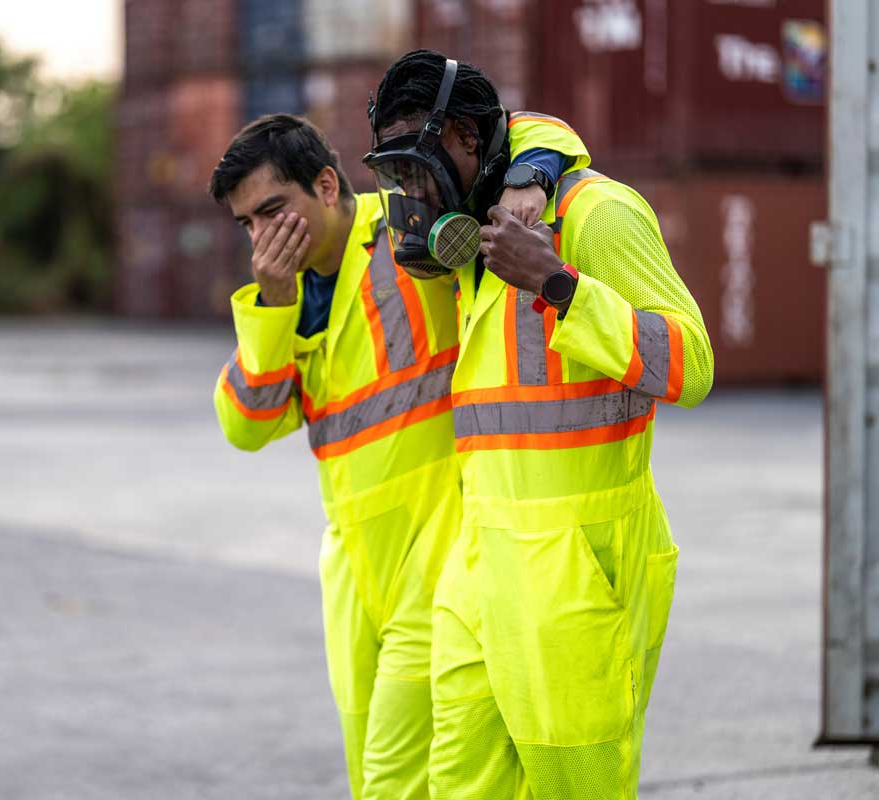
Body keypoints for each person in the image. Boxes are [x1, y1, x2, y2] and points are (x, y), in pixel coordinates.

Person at [364, 50, 715, 800]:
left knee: (576, 786)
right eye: (396, 175)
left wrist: (559, 285)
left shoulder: (596, 215)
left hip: (577, 571)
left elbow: (692, 364)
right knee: (462, 784)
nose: (412, 194)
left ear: (463, 137)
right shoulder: (473, 232)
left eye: (416, 169)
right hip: (482, 568)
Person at [210, 111, 589, 799]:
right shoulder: (282, 296)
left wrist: (531, 175)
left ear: (327, 185)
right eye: (248, 225)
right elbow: (246, 423)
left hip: (437, 550)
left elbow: (536, 131)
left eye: (272, 210)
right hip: (356, 572)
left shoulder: (410, 226)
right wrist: (274, 303)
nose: (263, 237)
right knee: (372, 775)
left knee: (397, 779)